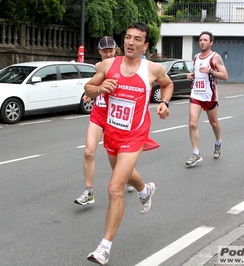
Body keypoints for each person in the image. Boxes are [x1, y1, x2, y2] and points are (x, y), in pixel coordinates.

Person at [84, 21, 173, 265]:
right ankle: (145, 190)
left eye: (136, 39)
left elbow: (168, 85)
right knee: (123, 174)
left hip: (135, 135)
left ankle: (104, 247)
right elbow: (88, 88)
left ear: (145, 46)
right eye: (128, 37)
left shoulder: (153, 69)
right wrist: (101, 87)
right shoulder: (108, 64)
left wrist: (164, 103)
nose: (130, 42)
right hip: (112, 134)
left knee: (115, 188)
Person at [74, 36, 134, 206]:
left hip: (115, 117)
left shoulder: (124, 66)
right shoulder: (98, 66)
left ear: (116, 49)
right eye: (105, 50)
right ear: (99, 51)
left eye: (111, 50)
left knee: (119, 158)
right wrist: (89, 93)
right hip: (98, 114)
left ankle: (129, 178)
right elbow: (94, 85)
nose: (108, 54)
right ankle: (89, 192)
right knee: (88, 152)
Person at [186, 31, 228, 166]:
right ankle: (196, 153)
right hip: (196, 94)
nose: (202, 42)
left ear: (211, 42)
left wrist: (210, 71)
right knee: (192, 123)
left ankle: (218, 142)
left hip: (209, 95)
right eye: (200, 40)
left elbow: (225, 76)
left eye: (205, 40)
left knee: (213, 122)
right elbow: (196, 72)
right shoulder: (196, 57)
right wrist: (191, 75)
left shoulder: (215, 57)